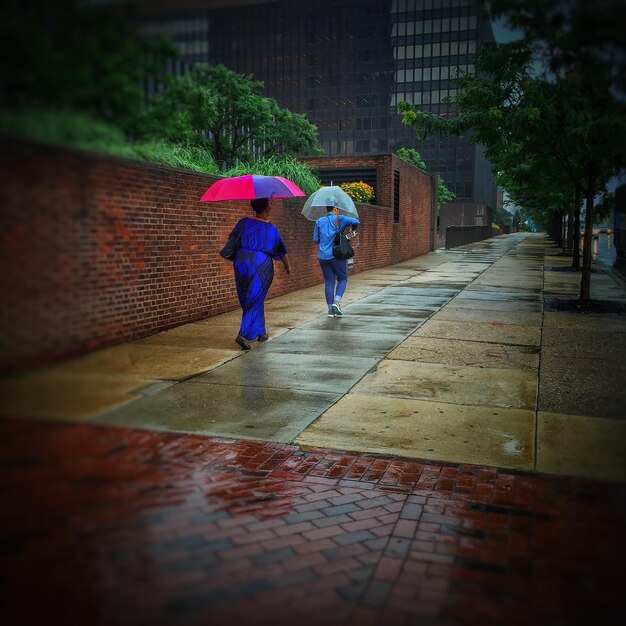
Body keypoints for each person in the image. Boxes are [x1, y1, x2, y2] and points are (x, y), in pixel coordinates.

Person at [229, 198, 291, 350]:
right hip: (260, 264)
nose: (271, 206)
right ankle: (243, 334)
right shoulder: (270, 229)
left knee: (250, 297)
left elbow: (232, 242)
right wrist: (287, 266)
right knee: (255, 297)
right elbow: (281, 251)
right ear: (265, 208)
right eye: (270, 204)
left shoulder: (242, 223)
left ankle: (261, 331)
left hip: (241, 262)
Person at [313, 205, 360, 317]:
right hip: (337, 254)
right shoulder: (340, 219)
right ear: (335, 209)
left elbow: (316, 240)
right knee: (343, 278)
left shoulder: (319, 221)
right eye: (338, 209)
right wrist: (352, 229)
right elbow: (356, 221)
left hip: (323, 256)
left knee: (329, 282)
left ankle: (330, 310)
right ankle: (336, 303)